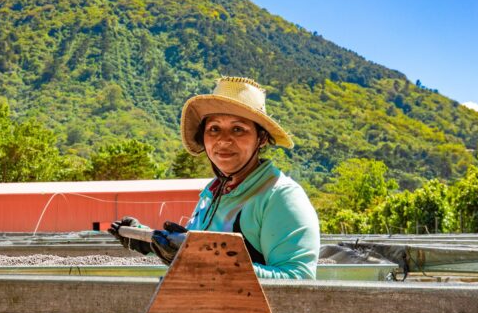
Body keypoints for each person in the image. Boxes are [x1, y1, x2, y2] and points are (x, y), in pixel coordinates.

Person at [109, 77, 320, 279]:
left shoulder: (278, 196)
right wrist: (150, 241)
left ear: (261, 138)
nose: (223, 140)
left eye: (238, 129)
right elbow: (198, 262)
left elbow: (297, 279)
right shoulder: (213, 193)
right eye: (214, 129)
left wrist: (203, 258)